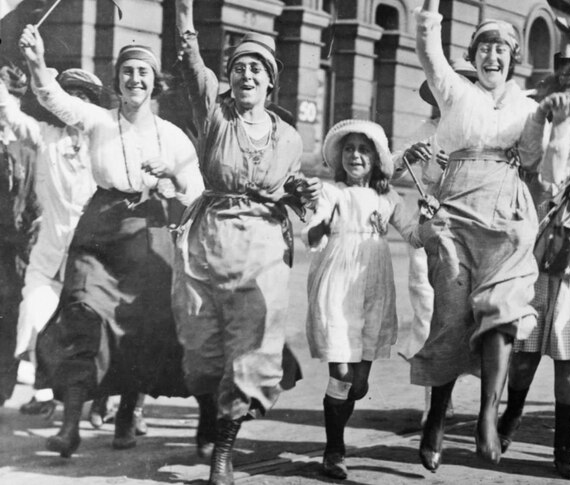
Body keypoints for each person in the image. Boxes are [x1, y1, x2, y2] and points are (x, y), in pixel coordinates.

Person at [19, 25, 204, 458]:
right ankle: (69, 428)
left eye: (143, 72)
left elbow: (194, 193)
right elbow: (53, 98)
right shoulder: (98, 120)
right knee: (83, 313)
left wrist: (171, 179)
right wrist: (35, 60)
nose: (134, 79)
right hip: (98, 231)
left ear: (155, 82)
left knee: (140, 326)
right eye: (127, 71)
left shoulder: (173, 136)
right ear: (117, 79)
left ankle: (126, 416)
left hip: (148, 235)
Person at [172, 2, 318, 484]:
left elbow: (292, 189)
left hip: (262, 248)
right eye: (238, 68)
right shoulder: (214, 114)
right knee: (200, 352)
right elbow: (191, 59)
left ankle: (223, 454)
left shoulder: (290, 138)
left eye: (256, 68)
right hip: (207, 242)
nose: (246, 75)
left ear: (271, 82)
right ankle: (209, 413)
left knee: (250, 350)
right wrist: (183, 10)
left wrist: (302, 192)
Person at [411, 0, 542, 470]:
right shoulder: (455, 93)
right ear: (473, 54)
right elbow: (428, 50)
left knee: (503, 312)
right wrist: (429, 11)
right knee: (450, 318)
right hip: (456, 214)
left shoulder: (528, 106)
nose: (492, 57)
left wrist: (552, 121)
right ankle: (437, 418)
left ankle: (487, 414)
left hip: (507, 213)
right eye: (484, 48)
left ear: (512, 59)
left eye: (501, 50)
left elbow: (532, 157)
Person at [497, 58, 570, 479]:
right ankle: (511, 414)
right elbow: (528, 187)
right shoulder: (536, 136)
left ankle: (563, 449)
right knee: (525, 352)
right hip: (533, 255)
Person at [302, 119, 422, 480]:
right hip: (337, 284)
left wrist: (430, 217)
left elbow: (415, 235)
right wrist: (321, 222)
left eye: (364, 149)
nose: (356, 155)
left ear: (377, 159)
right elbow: (313, 232)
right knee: (340, 371)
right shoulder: (330, 192)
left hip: (374, 284)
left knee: (358, 384)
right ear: (341, 156)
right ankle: (334, 449)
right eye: (350, 149)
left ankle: (338, 427)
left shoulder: (388, 197)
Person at [0, 67, 100, 420]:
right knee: (35, 315)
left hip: (93, 255)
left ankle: (116, 402)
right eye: (68, 97)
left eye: (82, 99)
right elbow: (10, 114)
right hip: (48, 252)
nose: (74, 106)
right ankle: (43, 392)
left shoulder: (105, 143)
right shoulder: (46, 138)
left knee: (94, 327)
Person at [395, 58, 475, 425]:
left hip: (470, 231)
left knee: (465, 315)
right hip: (429, 229)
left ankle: (453, 393)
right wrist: (410, 157)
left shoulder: (478, 129)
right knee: (428, 311)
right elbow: (389, 166)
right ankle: (433, 403)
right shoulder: (424, 129)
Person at [0, 63, 39, 407]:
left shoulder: (27, 148)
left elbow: (36, 202)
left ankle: (2, 387)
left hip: (12, 249)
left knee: (7, 313)